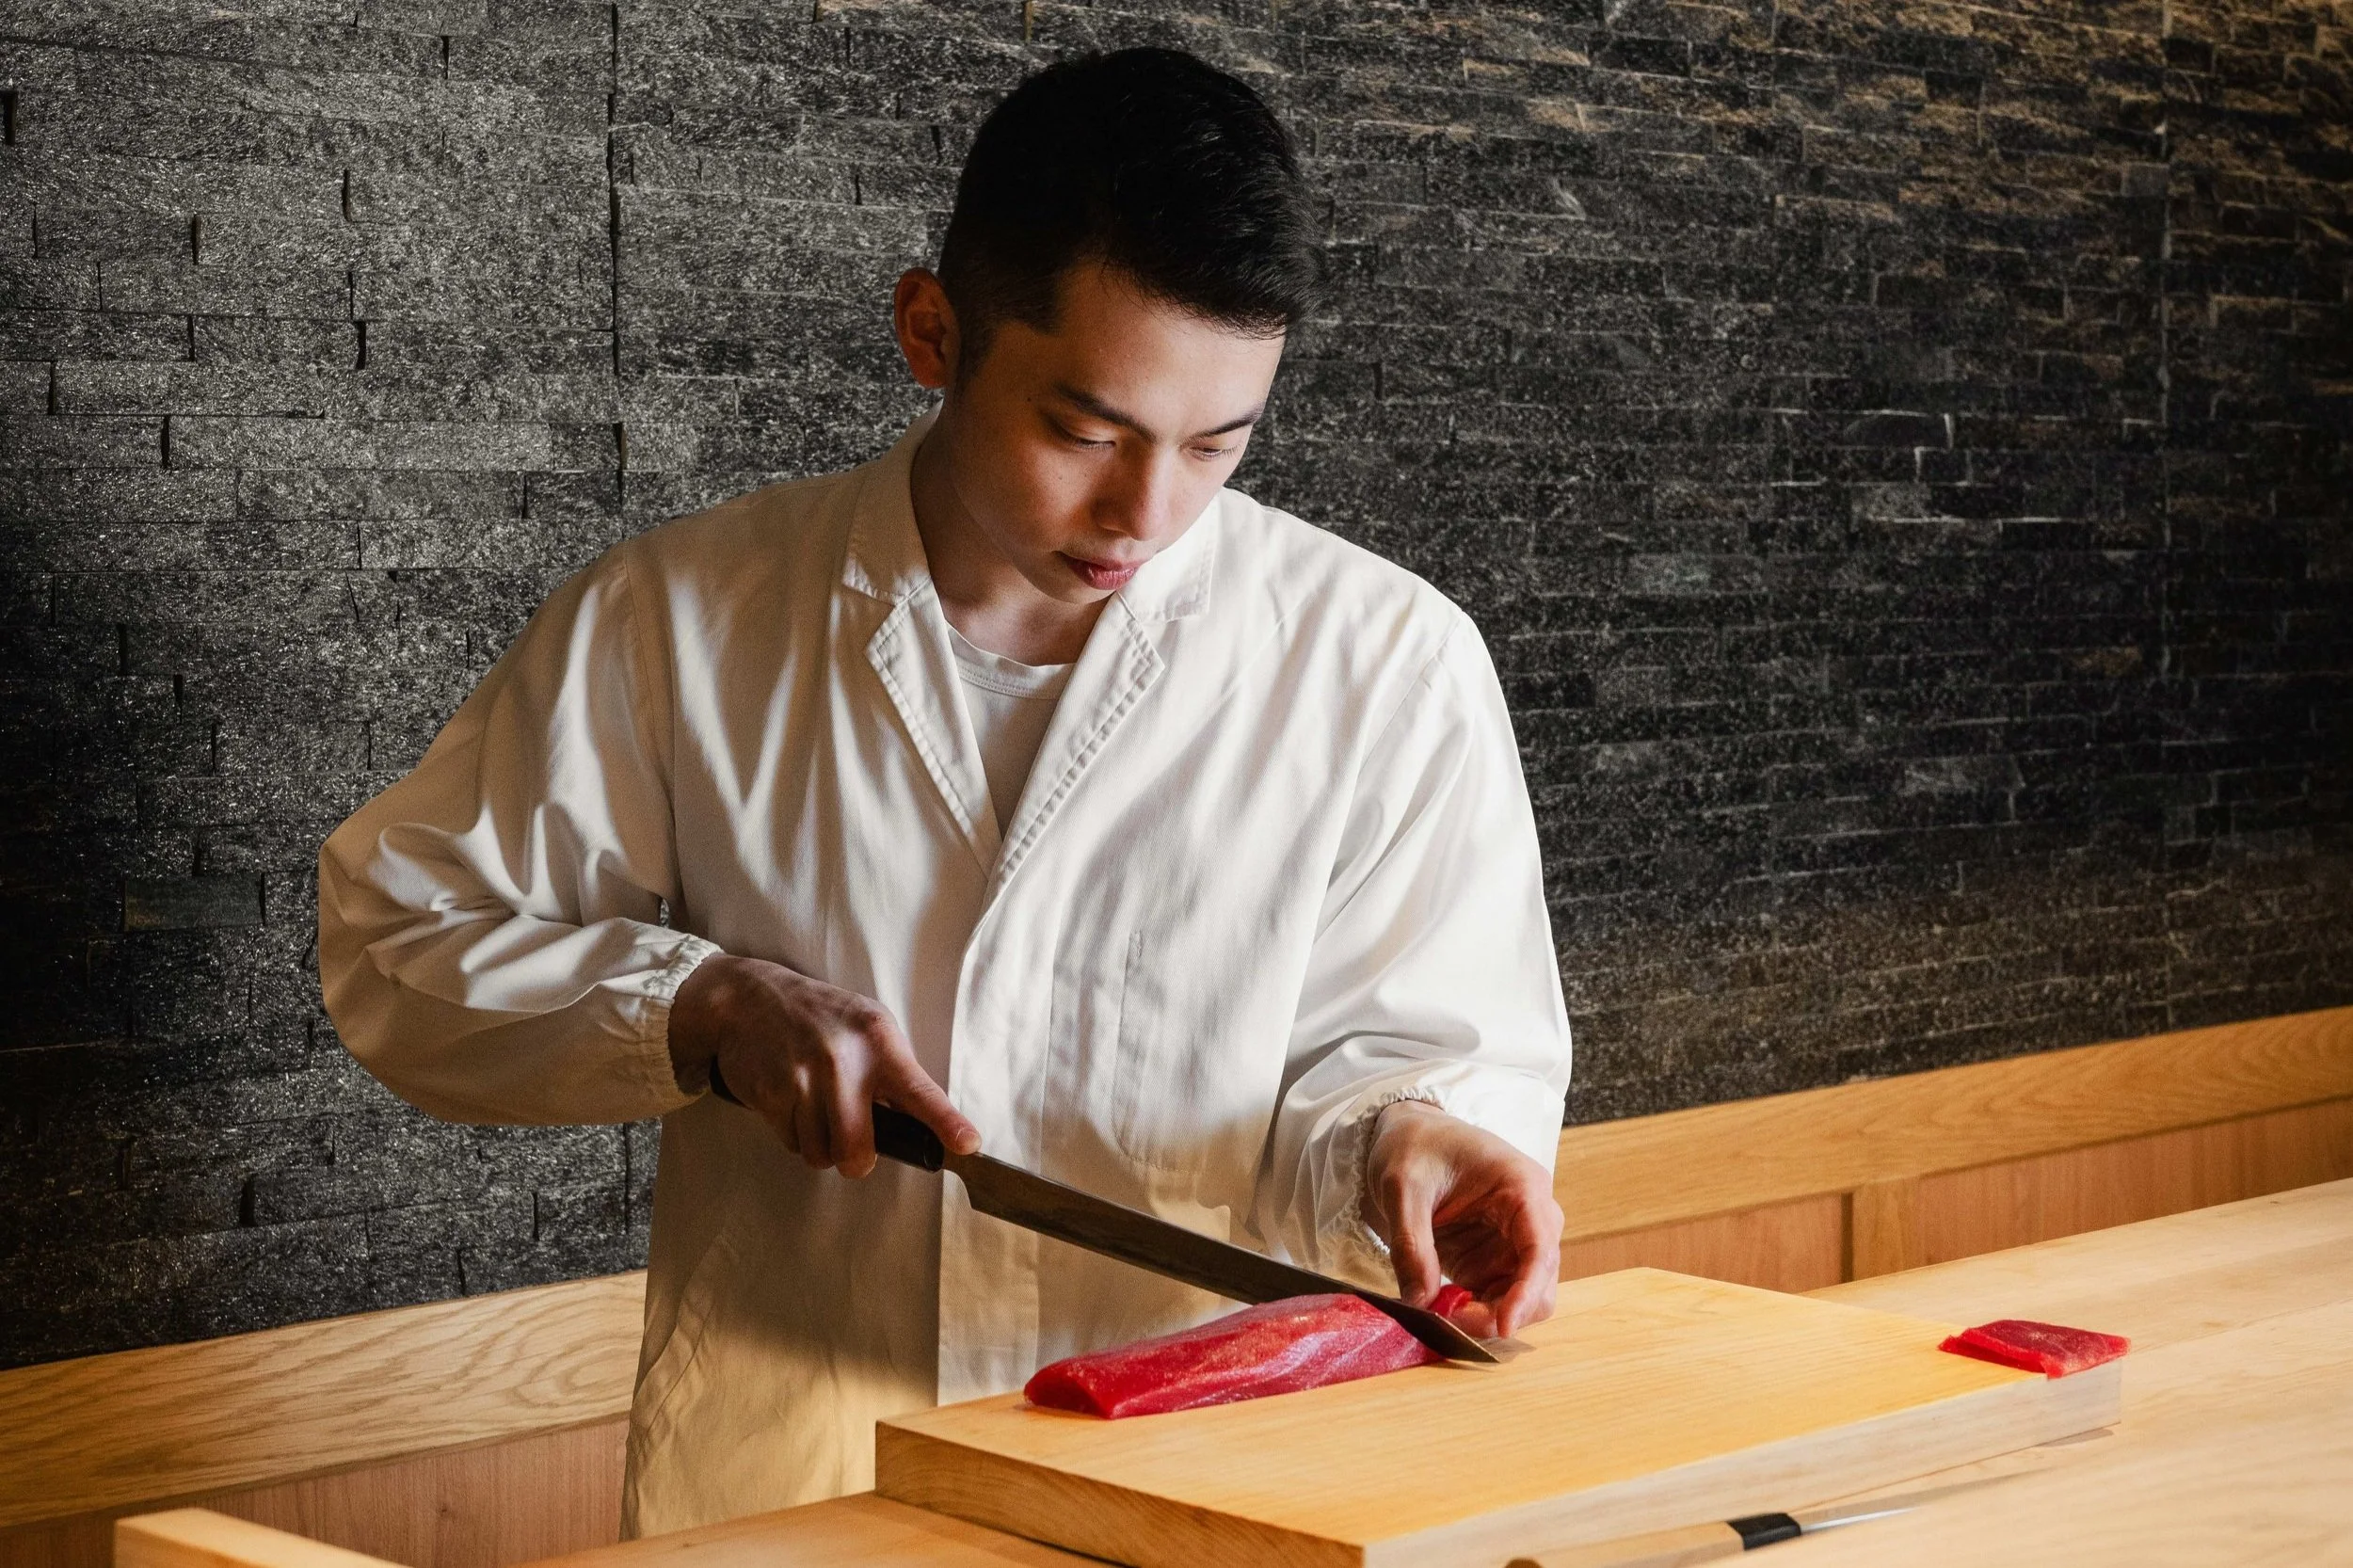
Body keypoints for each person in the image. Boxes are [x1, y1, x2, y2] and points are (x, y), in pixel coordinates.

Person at [317, 45, 1572, 1537]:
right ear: (931, 329)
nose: (1145, 512)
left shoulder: (1387, 666)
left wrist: (1406, 1138)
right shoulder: (681, 621)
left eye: (1217, 444)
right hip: (793, 1500)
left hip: (1214, 1506)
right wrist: (698, 1006)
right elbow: (401, 941)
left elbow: (1420, 1057)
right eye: (1085, 431)